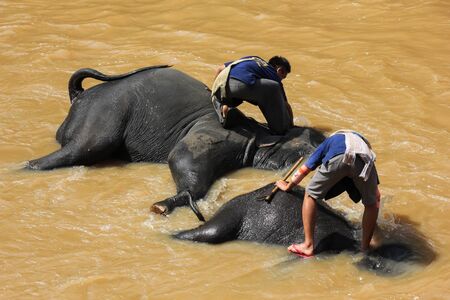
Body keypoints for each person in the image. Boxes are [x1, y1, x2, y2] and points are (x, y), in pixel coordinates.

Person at [276, 130, 381, 257]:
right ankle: (365, 248)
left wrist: (288, 186)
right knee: (371, 203)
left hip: (339, 158)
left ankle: (308, 246)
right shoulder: (365, 146)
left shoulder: (331, 141)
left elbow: (305, 169)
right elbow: (376, 194)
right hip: (363, 160)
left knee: (310, 194)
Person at [211, 55, 293, 135]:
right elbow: (286, 105)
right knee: (273, 87)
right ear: (280, 70)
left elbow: (220, 69)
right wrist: (291, 123)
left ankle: (225, 106)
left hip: (225, 84)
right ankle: (278, 130)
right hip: (244, 85)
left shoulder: (253, 59)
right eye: (283, 76)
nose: (282, 79)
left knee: (249, 92)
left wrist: (213, 90)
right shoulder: (273, 74)